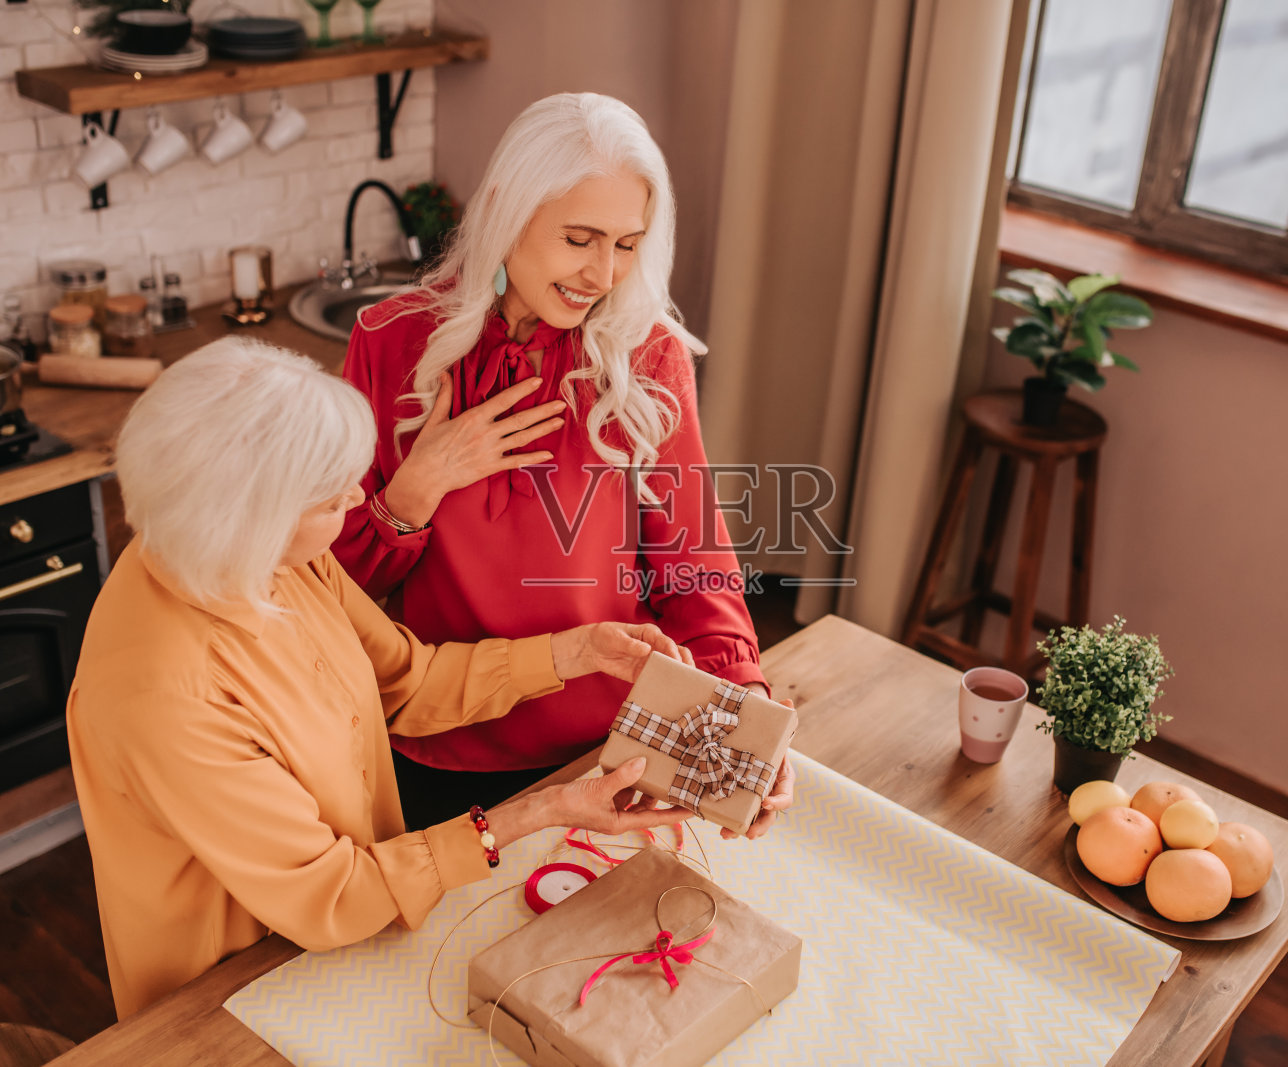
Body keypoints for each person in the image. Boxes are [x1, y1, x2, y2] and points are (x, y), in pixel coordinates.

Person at [67, 339, 692, 1019]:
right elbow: (332, 894)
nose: (355, 496)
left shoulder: (265, 557)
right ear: (246, 515)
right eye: (328, 494)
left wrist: (577, 650)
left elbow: (408, 681)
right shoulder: (165, 695)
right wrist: (543, 809)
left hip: (351, 931)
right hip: (232, 998)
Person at [334, 93, 794, 837]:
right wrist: (415, 491)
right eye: (579, 238)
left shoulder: (649, 355)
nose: (603, 273)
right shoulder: (389, 345)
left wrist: (746, 720)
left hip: (611, 750)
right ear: (505, 214)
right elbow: (337, 595)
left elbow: (693, 562)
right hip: (436, 749)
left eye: (627, 243)